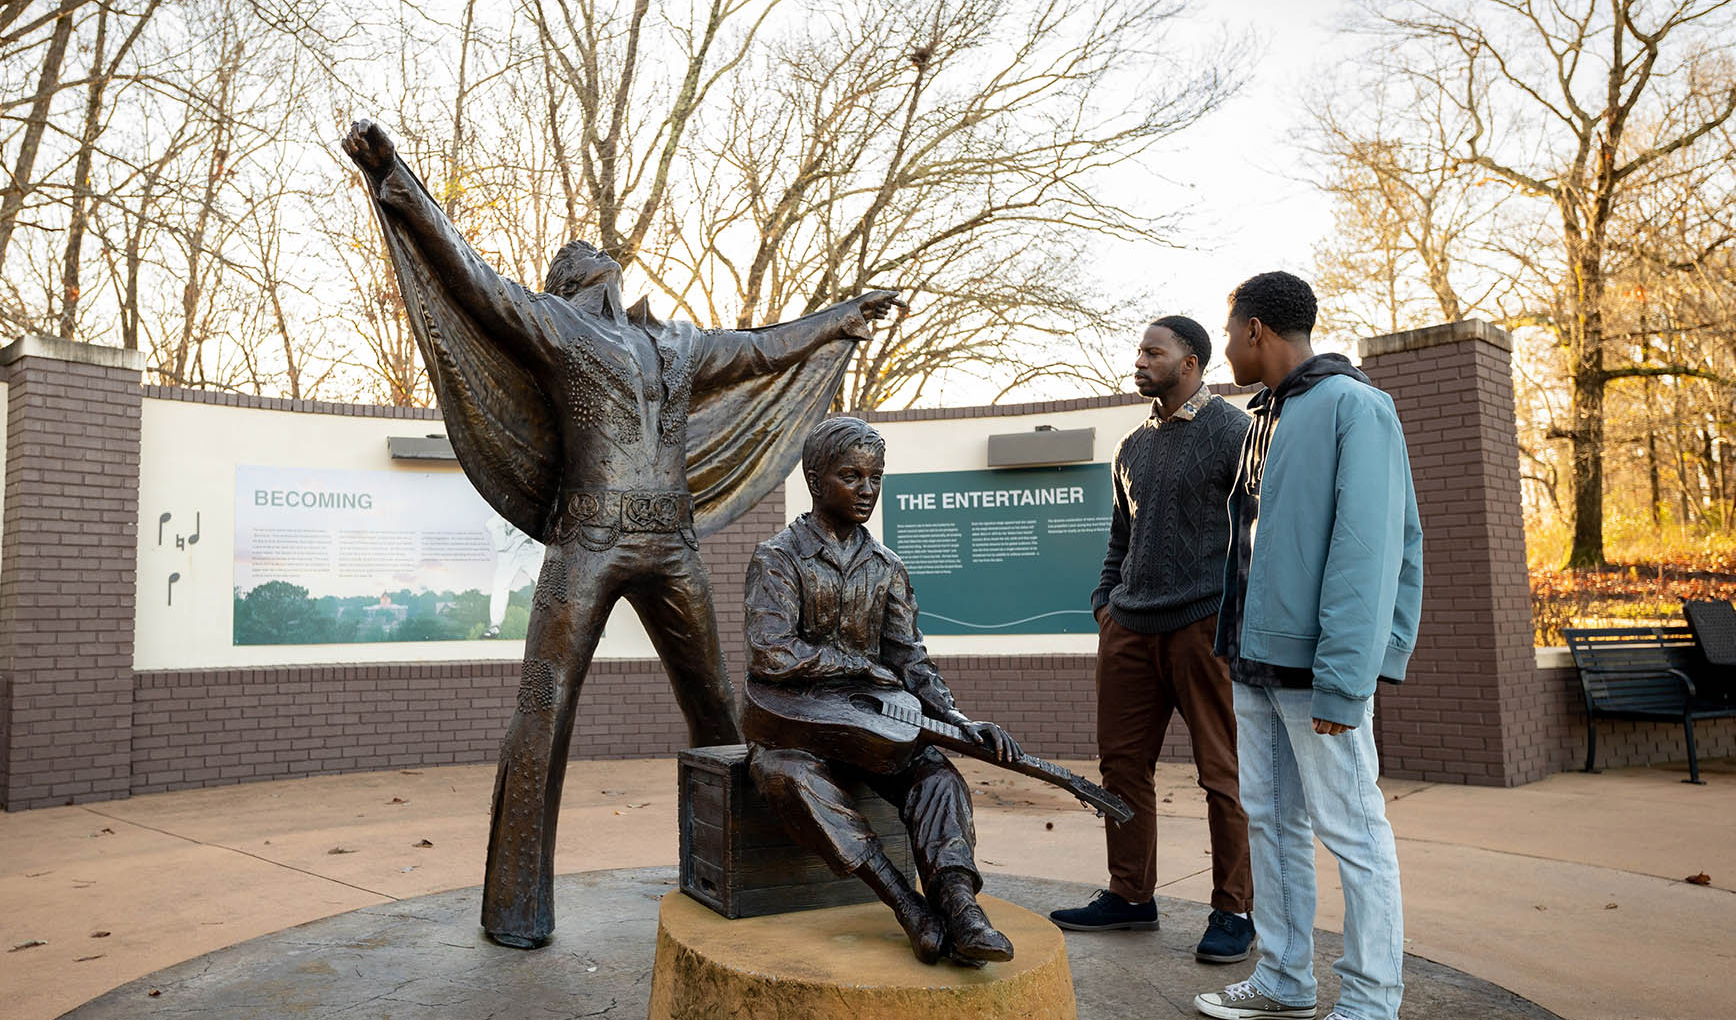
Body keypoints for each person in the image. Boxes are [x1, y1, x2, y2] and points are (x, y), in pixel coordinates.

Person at [342, 120, 899, 949]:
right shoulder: (557, 327)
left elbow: (756, 348)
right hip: (588, 540)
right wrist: (396, 178)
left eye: (593, 254)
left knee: (721, 709)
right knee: (544, 706)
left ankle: (756, 868)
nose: (591, 257)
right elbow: (468, 273)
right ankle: (516, 905)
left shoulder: (677, 341)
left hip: (672, 545)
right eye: (580, 258)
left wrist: (836, 318)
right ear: (574, 282)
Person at [1193, 271, 1422, 1020]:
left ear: (1256, 329)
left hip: (1316, 673)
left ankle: (1372, 1004)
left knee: (1354, 831)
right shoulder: (1268, 418)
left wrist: (1345, 678)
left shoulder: (1356, 407)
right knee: (1272, 821)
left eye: (1228, 333)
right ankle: (1286, 977)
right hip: (1252, 664)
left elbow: (1368, 552)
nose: (1223, 349)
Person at [745, 416, 1021, 965]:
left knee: (939, 775)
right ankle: (906, 904)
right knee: (792, 778)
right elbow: (770, 651)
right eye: (852, 476)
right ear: (816, 479)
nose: (867, 490)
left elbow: (910, 660)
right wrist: (853, 664)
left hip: (873, 730)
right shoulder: (778, 558)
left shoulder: (887, 566)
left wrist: (960, 721)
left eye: (876, 477)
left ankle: (961, 908)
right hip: (795, 731)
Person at [1049, 316, 1254, 963]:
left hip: (1202, 629)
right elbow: (1119, 537)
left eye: (1151, 352)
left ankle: (1234, 909)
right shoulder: (1131, 445)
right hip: (1130, 629)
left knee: (1223, 774)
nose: (1138, 360)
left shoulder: (1234, 432)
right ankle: (1130, 894)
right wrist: (1105, 605)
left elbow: (1258, 531)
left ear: (1189, 362)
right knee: (1120, 768)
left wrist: (1232, 614)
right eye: (1139, 350)